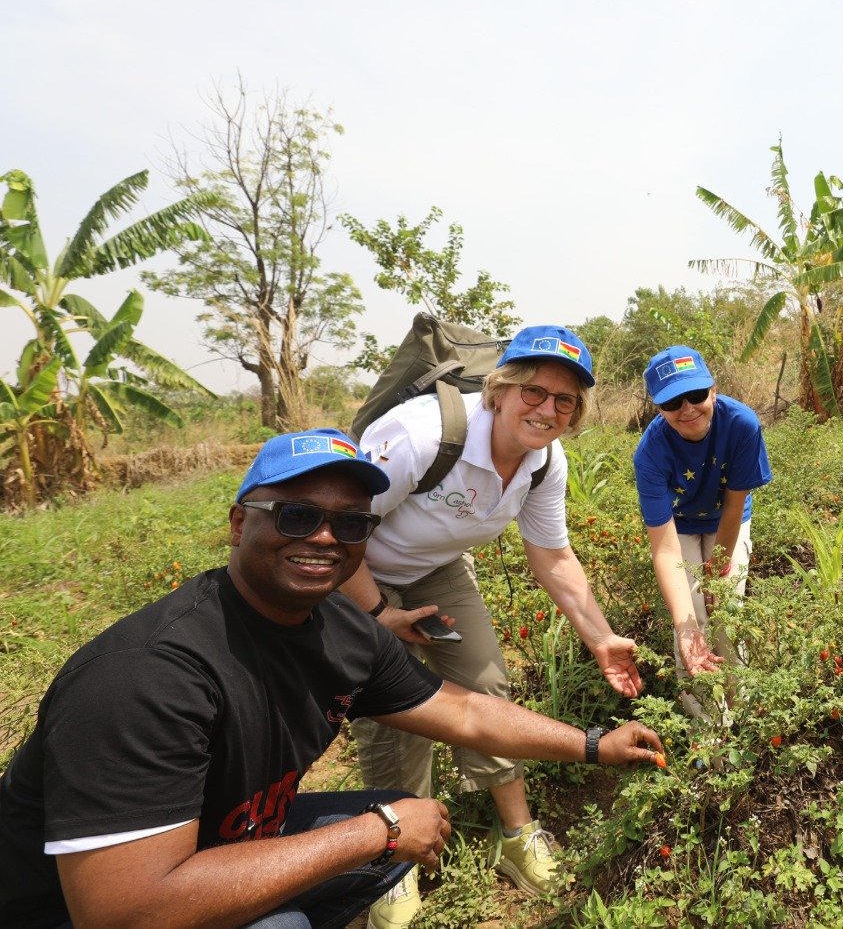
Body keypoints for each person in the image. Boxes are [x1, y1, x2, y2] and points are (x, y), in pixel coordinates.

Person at [0, 428, 662, 929]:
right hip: (70, 908)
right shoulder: (145, 676)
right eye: (296, 515)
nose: (324, 537)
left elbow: (462, 712)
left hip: (214, 840)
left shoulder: (339, 628)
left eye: (350, 523)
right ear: (239, 523)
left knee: (389, 837)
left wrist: (594, 744)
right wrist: (377, 830)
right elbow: (125, 913)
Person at [337, 325, 640, 903]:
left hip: (435, 567)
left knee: (486, 683)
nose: (547, 409)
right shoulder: (420, 436)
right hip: (356, 570)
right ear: (499, 391)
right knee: (395, 709)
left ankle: (517, 835)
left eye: (565, 400)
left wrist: (600, 637)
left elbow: (552, 555)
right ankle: (394, 856)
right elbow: (339, 529)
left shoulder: (544, 462)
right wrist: (377, 613)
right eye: (534, 391)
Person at [631, 346, 771, 706]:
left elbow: (734, 504)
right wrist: (686, 625)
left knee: (725, 608)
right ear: (658, 408)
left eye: (695, 395)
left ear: (713, 391)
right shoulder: (650, 452)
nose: (687, 409)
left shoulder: (741, 424)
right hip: (678, 526)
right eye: (672, 402)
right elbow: (664, 549)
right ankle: (705, 722)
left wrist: (716, 569)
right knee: (691, 617)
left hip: (727, 519)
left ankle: (740, 707)